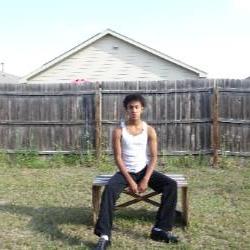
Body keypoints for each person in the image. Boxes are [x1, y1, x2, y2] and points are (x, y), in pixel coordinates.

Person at [94, 94, 179, 250]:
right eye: (130, 107)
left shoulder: (150, 130)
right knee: (109, 190)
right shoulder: (119, 131)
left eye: (136, 107)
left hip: (144, 170)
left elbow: (153, 157)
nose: (134, 110)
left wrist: (145, 179)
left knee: (171, 185)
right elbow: (118, 158)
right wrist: (131, 181)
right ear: (126, 109)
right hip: (125, 172)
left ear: (142, 109)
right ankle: (104, 236)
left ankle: (160, 230)